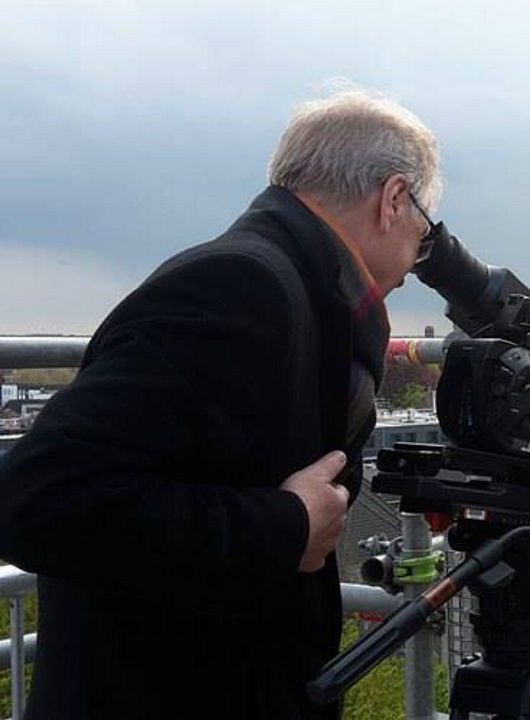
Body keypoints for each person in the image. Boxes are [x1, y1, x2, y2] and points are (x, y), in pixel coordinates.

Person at [0, 89, 442, 719]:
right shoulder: (240, 285)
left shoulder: (295, 290)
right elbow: (35, 500)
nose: (418, 256)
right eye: (424, 232)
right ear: (394, 199)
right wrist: (286, 525)